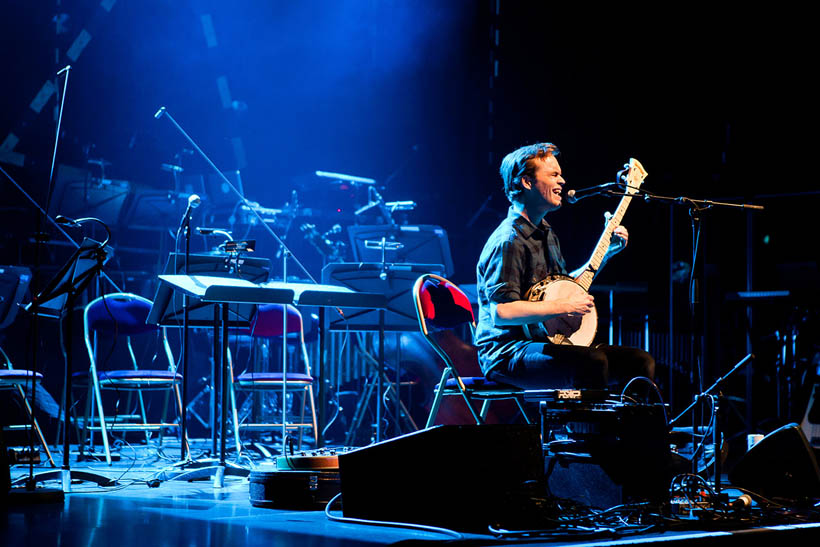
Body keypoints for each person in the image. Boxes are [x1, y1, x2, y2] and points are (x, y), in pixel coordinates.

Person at [474, 142, 654, 390]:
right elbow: (502, 312)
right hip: (507, 353)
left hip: (543, 340)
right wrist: (563, 306)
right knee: (592, 362)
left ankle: (633, 429)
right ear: (527, 182)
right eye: (554, 175)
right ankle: (580, 429)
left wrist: (607, 253)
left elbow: (563, 286)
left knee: (639, 362)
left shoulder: (547, 232)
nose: (562, 181)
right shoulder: (509, 241)